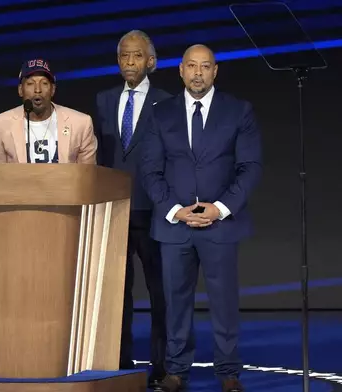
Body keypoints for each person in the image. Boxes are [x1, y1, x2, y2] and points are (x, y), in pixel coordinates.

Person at [140, 44, 262, 392]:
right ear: (180, 70)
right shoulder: (160, 114)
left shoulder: (239, 111)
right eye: (191, 66)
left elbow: (250, 167)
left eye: (205, 66)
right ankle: (176, 371)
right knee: (175, 303)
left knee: (224, 302)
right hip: (174, 225)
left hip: (220, 224)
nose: (197, 73)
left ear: (215, 71)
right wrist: (174, 210)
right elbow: (150, 171)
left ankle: (228, 373)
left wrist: (220, 208)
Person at [94, 30, 170, 388]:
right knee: (116, 293)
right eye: (124, 56)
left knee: (160, 293)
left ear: (150, 62)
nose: (129, 63)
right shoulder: (103, 100)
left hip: (154, 214)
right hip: (115, 212)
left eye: (136, 56)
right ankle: (120, 361)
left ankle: (162, 366)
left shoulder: (168, 103)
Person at [0, 59, 96, 164]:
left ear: (53, 89)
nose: (37, 90)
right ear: (20, 90)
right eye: (30, 83)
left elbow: (87, 176)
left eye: (44, 83)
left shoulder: (80, 124)